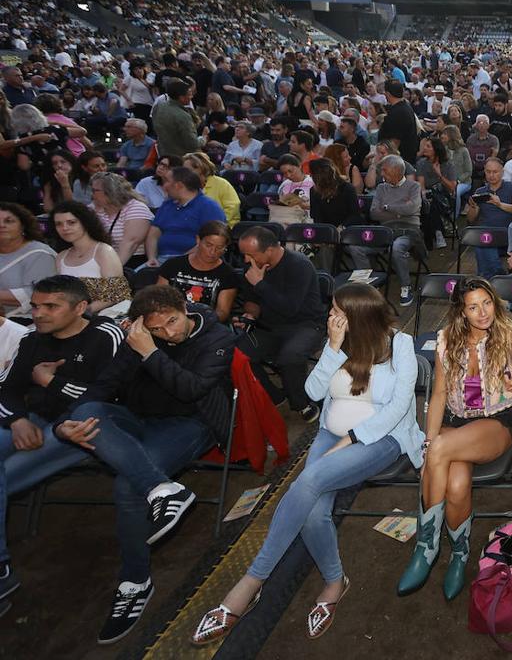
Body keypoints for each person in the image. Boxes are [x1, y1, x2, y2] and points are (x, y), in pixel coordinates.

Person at [193, 283, 422, 644]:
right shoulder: (337, 342)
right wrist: (332, 348)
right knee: (314, 511)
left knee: (309, 483)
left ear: (359, 316)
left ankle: (252, 581)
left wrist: (352, 439)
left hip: (381, 438)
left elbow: (396, 409)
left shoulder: (401, 345)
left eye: (337, 311)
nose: (330, 316)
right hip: (329, 435)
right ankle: (335, 582)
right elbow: (312, 393)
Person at [56, 284, 234, 644]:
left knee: (126, 484)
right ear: (141, 325)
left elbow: (190, 389)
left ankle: (135, 581)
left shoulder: (218, 337)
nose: (169, 332)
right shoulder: (135, 340)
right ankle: (162, 488)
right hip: (139, 420)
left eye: (172, 321)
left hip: (192, 423)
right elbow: (103, 386)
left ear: (185, 308)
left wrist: (149, 350)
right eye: (157, 329)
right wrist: (63, 423)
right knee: (89, 411)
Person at [397, 278, 512, 600]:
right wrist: (428, 440)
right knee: (453, 483)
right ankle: (459, 554)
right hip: (456, 421)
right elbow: (438, 395)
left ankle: (426, 546)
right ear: (461, 312)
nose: (482, 313)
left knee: (438, 450)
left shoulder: (508, 333)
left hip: (496, 423)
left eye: (487, 303)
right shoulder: (445, 342)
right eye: (473, 306)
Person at [0, 276, 125, 608]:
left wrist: (49, 381)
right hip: (33, 420)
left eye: (50, 306)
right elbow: (6, 390)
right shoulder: (31, 339)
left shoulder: (106, 335)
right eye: (36, 306)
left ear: (80, 307)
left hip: (79, 428)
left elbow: (108, 397)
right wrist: (17, 420)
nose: (39, 313)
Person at [235, 226, 326, 420]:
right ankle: (274, 396)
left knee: (290, 357)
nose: (245, 260)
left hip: (306, 324)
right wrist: (250, 315)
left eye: (250, 255)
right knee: (238, 354)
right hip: (270, 326)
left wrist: (260, 284)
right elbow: (252, 301)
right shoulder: (252, 268)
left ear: (269, 250)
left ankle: (302, 403)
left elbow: (290, 308)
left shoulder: (298, 265)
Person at [50, 201, 129, 315]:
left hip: (105, 315)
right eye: (59, 224)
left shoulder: (104, 251)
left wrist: (83, 312)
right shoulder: (61, 257)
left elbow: (115, 294)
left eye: (71, 222)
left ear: (85, 223)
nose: (65, 228)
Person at [156, 221, 238, 323]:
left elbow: (222, 311)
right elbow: (158, 298)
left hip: (206, 327)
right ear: (198, 240)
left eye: (219, 248)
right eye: (208, 245)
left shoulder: (228, 274)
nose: (212, 252)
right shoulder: (173, 265)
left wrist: (199, 324)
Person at [145, 166, 226, 267]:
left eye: (167, 181)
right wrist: (152, 258)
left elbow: (212, 243)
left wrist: (178, 262)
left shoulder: (209, 207)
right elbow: (153, 234)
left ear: (178, 185)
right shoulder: (167, 205)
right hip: (160, 260)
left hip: (194, 261)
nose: (164, 186)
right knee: (135, 277)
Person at [464, 157, 512, 280]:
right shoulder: (480, 191)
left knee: (484, 240)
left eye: (495, 172)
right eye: (488, 172)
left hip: (507, 232)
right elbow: (471, 219)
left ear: (502, 172)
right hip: (486, 232)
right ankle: (497, 275)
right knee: (482, 239)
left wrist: (499, 204)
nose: (491, 175)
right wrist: (473, 207)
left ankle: (488, 278)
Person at [0, 202, 57, 318]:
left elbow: (40, 294)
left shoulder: (40, 254)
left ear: (23, 226)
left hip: (28, 322)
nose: (1, 225)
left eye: (9, 221)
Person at [89, 172, 153, 266]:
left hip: (129, 261)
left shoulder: (136, 208)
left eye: (95, 190)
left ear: (110, 192)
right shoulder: (93, 208)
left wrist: (112, 270)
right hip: (101, 258)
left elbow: (130, 244)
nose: (92, 194)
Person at [378, 79, 419, 163]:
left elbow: (394, 143)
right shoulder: (404, 106)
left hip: (398, 161)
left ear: (388, 94)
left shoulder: (398, 112)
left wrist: (385, 160)